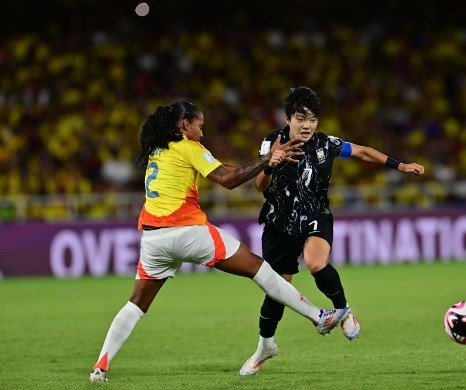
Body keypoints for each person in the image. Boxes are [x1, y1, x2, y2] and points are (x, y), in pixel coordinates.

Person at [89, 101, 352, 382]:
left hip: (153, 239)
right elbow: (228, 179)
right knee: (260, 269)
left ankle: (100, 366)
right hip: (187, 231)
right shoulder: (188, 147)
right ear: (184, 125)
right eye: (199, 127)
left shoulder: (158, 149)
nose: (202, 133)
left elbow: (223, 166)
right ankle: (317, 316)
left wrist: (268, 162)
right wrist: (267, 159)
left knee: (136, 304)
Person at [239, 87, 425, 376]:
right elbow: (259, 186)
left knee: (316, 262)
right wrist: (270, 164)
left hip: (315, 216)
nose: (307, 125)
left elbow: (362, 151)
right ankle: (265, 346)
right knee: (277, 288)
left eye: (312, 119)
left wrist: (399, 165)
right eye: (301, 118)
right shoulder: (271, 142)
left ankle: (344, 310)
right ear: (288, 118)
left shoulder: (327, 143)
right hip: (280, 223)